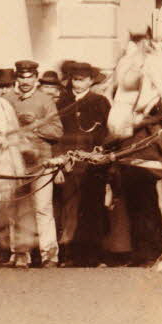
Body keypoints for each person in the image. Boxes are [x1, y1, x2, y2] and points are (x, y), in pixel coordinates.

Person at [1, 59, 62, 267]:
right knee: (17, 209)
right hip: (16, 163)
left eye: (29, 77)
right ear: (16, 78)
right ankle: (20, 253)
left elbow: (57, 132)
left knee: (43, 208)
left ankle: (49, 255)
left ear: (36, 78)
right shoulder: (7, 100)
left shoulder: (45, 101)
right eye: (21, 77)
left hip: (41, 162)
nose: (25, 81)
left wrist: (34, 126)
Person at [54, 60, 112, 266]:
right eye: (74, 80)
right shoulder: (62, 102)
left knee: (93, 208)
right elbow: (57, 133)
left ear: (90, 81)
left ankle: (93, 255)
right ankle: (68, 255)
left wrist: (101, 151)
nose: (77, 84)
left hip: (93, 165)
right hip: (69, 163)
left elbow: (107, 131)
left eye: (82, 80)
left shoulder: (100, 102)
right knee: (68, 208)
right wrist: (60, 160)